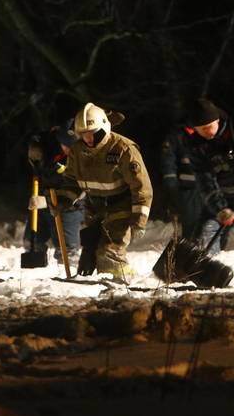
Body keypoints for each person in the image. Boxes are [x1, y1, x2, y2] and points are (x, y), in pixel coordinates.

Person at [31, 103, 152, 282]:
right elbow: (72, 181)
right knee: (89, 256)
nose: (87, 138)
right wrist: (61, 202)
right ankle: (98, 282)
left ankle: (126, 281)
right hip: (94, 206)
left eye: (92, 133)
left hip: (121, 205)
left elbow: (142, 187)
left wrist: (139, 219)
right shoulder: (78, 151)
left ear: (103, 127)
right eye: (83, 134)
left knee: (109, 251)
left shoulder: (123, 149)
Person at [183, 98, 234, 269]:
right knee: (205, 237)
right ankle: (204, 272)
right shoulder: (196, 145)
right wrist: (220, 208)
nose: (206, 132)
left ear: (217, 120)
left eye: (208, 127)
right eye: (200, 130)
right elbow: (204, 179)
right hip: (221, 199)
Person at [23, 119, 83, 267]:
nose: (69, 150)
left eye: (72, 147)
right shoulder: (48, 140)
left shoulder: (85, 153)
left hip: (69, 202)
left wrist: (47, 201)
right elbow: (35, 139)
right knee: (32, 240)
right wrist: (33, 151)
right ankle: (36, 271)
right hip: (43, 190)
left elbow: (80, 189)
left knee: (67, 252)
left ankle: (68, 278)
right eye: (66, 146)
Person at [160, 124, 203, 240]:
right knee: (191, 223)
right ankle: (190, 248)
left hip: (211, 187)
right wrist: (171, 182)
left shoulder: (210, 132)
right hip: (189, 188)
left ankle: (211, 251)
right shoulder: (178, 135)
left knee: (212, 224)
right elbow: (168, 159)